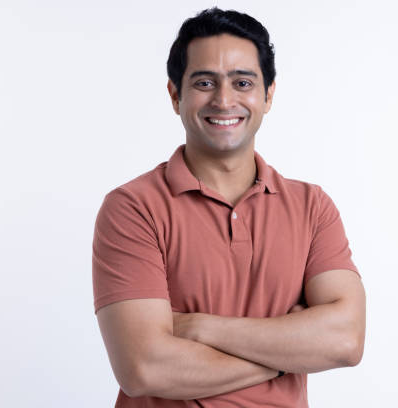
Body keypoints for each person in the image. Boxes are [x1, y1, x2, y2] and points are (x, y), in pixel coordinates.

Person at [92, 7, 366, 407]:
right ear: (175, 95)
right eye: (204, 82)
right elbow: (144, 368)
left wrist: (201, 328)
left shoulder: (313, 207)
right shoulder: (133, 208)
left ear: (268, 95)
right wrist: (287, 356)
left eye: (242, 82)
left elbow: (345, 340)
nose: (224, 100)